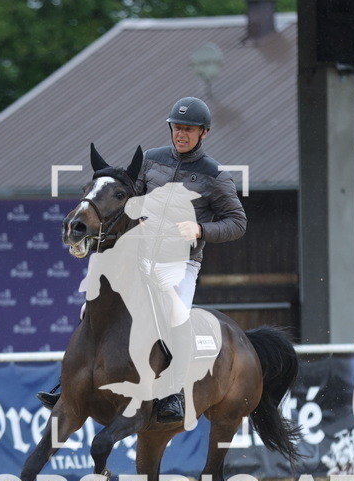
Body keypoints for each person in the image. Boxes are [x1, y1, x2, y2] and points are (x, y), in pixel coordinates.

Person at [39, 96, 247, 424]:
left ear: (203, 133)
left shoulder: (215, 175)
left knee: (175, 316)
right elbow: (124, 198)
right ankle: (68, 383)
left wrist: (200, 228)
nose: (181, 134)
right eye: (177, 128)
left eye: (189, 129)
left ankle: (174, 393)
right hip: (140, 254)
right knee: (91, 306)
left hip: (181, 263)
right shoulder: (151, 160)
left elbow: (237, 223)